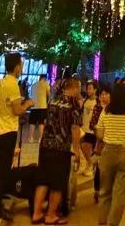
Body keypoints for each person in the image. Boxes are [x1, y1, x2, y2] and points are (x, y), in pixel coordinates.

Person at [0, 53, 35, 221]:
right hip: (7, 131)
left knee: (2, 169)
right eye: (21, 65)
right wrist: (27, 104)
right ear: (16, 67)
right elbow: (17, 110)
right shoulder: (12, 84)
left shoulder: (0, 83)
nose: (22, 68)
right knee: (3, 171)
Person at [32, 78, 83, 225]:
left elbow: (46, 122)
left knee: (43, 181)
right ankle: (51, 215)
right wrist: (77, 150)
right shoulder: (73, 104)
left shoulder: (53, 100)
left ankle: (36, 213)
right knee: (57, 184)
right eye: (79, 88)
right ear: (74, 88)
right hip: (61, 149)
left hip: (45, 146)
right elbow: (75, 128)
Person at [95, 82, 125, 226]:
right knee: (120, 194)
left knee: (104, 192)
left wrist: (108, 134)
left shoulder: (106, 111)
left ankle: (102, 222)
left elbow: (99, 134)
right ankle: (112, 223)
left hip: (108, 152)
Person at [81, 80, 98, 176]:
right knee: (83, 146)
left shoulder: (97, 102)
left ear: (95, 90)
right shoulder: (85, 100)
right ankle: (90, 164)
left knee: (85, 146)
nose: (88, 90)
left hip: (92, 129)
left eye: (90, 88)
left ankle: (90, 165)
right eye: (87, 88)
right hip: (84, 128)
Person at [29, 74, 51, 143]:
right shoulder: (46, 84)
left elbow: (30, 95)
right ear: (44, 78)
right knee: (41, 123)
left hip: (34, 106)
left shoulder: (34, 85)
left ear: (40, 78)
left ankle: (31, 138)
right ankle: (40, 139)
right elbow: (49, 95)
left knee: (32, 123)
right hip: (42, 106)